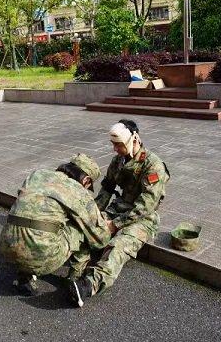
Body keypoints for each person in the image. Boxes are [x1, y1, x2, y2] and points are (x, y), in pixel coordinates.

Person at [69, 119, 170, 307]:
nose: (115, 149)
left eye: (118, 145)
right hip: (119, 209)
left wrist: (115, 225)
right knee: (88, 229)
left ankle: (88, 285)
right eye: (113, 145)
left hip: (143, 219)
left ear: (134, 140)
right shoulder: (118, 161)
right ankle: (74, 266)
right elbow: (107, 189)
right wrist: (93, 214)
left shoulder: (152, 165)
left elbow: (145, 206)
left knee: (119, 245)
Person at [0, 154, 113, 298]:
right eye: (88, 186)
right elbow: (100, 238)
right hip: (41, 255)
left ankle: (24, 278)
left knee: (34, 223)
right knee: (83, 229)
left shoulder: (37, 174)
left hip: (6, 246)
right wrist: (108, 226)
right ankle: (75, 280)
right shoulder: (77, 190)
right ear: (86, 180)